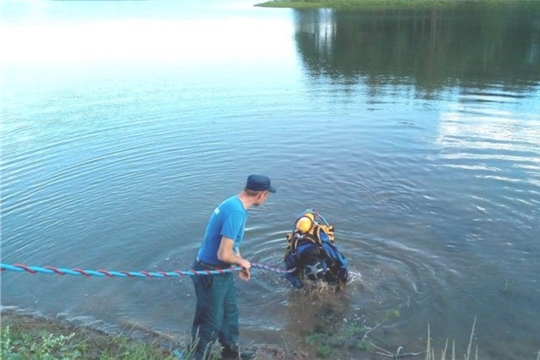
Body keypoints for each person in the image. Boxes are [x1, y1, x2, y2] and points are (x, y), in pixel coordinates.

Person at [183, 174, 276, 360]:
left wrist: (240, 262)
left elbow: (231, 245)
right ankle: (197, 357)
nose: (267, 198)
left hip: (220, 272)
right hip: (209, 273)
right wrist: (241, 262)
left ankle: (232, 354)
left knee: (230, 315)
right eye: (267, 194)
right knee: (210, 323)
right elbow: (223, 254)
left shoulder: (234, 204)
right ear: (262, 194)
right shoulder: (236, 212)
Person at [284, 209, 348, 289]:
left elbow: (343, 263)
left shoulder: (326, 247)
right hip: (305, 252)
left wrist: (341, 279)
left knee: (334, 267)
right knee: (298, 274)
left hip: (319, 246)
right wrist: (300, 286)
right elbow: (289, 273)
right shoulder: (294, 254)